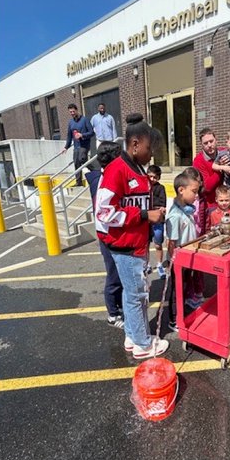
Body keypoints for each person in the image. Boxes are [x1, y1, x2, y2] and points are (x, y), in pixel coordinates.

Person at [95, 117, 168, 359]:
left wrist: (151, 213)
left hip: (135, 244)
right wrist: (145, 214)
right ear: (135, 144)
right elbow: (104, 212)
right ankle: (143, 344)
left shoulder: (137, 169)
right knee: (137, 296)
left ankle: (132, 335)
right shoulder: (117, 169)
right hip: (126, 247)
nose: (151, 154)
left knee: (130, 294)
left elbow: (133, 204)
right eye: (149, 148)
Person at [84, 139, 124, 327]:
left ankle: (119, 306)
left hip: (113, 234)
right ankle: (113, 314)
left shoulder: (98, 177)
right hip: (107, 234)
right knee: (114, 275)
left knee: (118, 274)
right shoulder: (102, 180)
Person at [162, 170, 201, 330]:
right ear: (181, 190)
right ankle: (173, 319)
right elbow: (171, 243)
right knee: (176, 290)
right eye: (194, 191)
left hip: (188, 258)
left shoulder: (187, 209)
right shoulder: (175, 215)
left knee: (183, 287)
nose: (196, 196)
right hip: (178, 261)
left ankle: (182, 310)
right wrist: (173, 263)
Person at [192, 128, 224, 235]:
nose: (209, 145)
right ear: (201, 145)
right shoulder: (198, 161)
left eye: (211, 141)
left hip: (227, 201)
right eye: (206, 143)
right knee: (212, 234)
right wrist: (220, 168)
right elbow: (207, 186)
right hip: (210, 205)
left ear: (216, 140)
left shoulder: (224, 152)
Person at [64, 102, 93, 185]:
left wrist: (82, 135)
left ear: (76, 110)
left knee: (82, 159)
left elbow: (92, 132)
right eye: (70, 112)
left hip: (84, 145)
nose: (72, 113)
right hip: (76, 146)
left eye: (73, 111)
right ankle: (78, 182)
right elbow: (69, 136)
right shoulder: (71, 122)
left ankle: (94, 170)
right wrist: (66, 147)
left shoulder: (84, 120)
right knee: (76, 163)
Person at [146, 164, 166, 276]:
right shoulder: (144, 187)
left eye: (155, 177)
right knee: (146, 244)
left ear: (158, 178)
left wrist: (161, 208)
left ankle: (159, 264)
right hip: (146, 220)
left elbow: (162, 203)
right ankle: (147, 264)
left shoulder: (160, 188)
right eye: (150, 176)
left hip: (157, 220)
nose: (152, 179)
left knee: (158, 244)